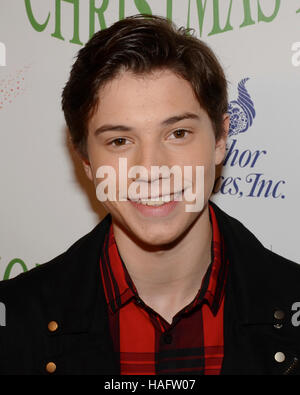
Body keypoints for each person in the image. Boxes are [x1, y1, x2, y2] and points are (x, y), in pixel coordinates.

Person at [0, 14, 300, 376]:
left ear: (221, 140)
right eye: (120, 141)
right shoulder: (13, 320)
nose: (151, 168)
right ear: (86, 161)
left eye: (178, 134)